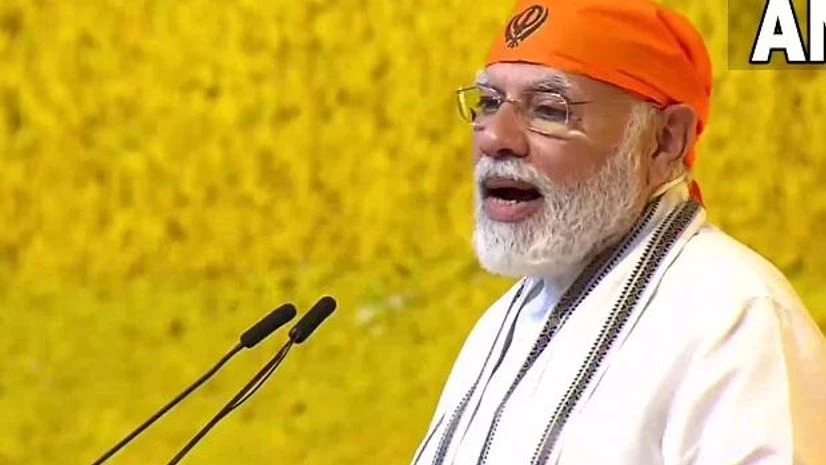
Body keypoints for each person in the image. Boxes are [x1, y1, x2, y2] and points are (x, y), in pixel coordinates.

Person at [409, 0, 826, 464]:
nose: (495, 137)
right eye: (487, 103)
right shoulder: (503, 324)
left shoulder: (738, 322)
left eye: (549, 109)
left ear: (666, 139)